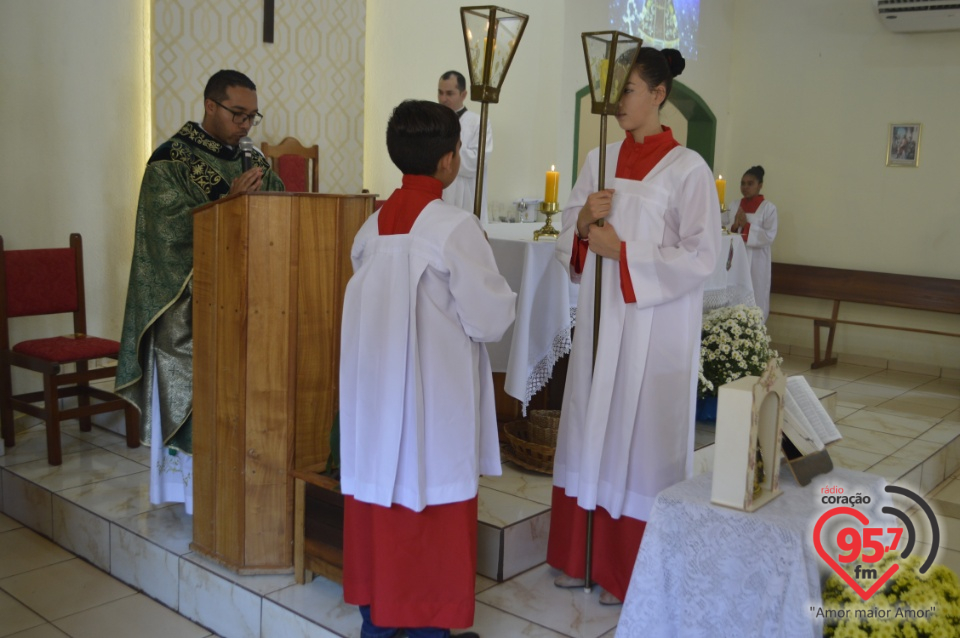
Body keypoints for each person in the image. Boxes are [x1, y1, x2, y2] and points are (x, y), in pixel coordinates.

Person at [548, 48, 720, 605]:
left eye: (627, 91)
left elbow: (701, 256)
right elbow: (566, 242)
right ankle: (581, 556)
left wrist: (623, 252)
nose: (618, 101)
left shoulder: (688, 169)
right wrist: (579, 223)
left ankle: (626, 568)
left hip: (652, 328)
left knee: (637, 438)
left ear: (658, 95)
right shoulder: (599, 158)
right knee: (589, 426)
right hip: (602, 324)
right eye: (615, 91)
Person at [339, 99, 516, 638]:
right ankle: (425, 628)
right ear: (447, 160)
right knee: (431, 517)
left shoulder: (370, 229)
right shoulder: (455, 227)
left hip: (377, 409)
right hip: (432, 408)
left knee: (382, 512)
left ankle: (378, 623)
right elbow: (489, 320)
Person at [115, 70, 284, 514]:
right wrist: (227, 204)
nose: (246, 126)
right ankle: (188, 492)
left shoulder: (256, 164)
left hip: (249, 304)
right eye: (238, 114)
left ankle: (238, 482)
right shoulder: (169, 162)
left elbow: (284, 215)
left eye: (252, 117)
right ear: (210, 106)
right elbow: (165, 238)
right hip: (187, 306)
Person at [437, 70, 493, 222]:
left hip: (468, 199)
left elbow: (476, 162)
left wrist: (446, 147)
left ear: (463, 94)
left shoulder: (479, 122)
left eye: (449, 93)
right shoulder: (433, 123)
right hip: (439, 198)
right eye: (440, 93)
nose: (443, 99)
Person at [729, 165, 778, 321]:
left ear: (760, 185)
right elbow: (724, 230)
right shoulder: (734, 205)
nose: (745, 187)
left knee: (755, 294)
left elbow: (769, 236)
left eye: (750, 183)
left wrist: (747, 225)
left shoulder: (768, 208)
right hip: (736, 258)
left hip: (757, 261)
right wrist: (735, 226)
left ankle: (754, 333)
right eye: (742, 183)